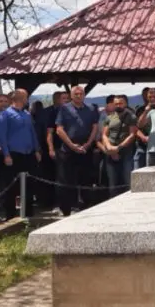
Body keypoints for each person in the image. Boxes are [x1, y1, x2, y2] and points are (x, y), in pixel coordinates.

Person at [0, 89, 41, 219]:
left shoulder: (27, 114)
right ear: (20, 98)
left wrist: (37, 149)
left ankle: (28, 211)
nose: (27, 99)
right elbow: (2, 136)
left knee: (29, 183)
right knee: (11, 185)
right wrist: (6, 154)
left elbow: (32, 133)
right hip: (13, 153)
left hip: (28, 154)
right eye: (26, 97)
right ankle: (10, 213)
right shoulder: (6, 114)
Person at [55, 86, 99, 215]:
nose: (79, 96)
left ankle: (86, 206)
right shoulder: (64, 108)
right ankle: (67, 208)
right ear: (71, 95)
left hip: (86, 150)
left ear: (84, 95)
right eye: (76, 94)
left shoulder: (91, 109)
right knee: (67, 180)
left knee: (86, 179)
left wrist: (88, 144)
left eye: (81, 93)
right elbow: (59, 129)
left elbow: (95, 127)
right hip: (68, 150)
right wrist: (71, 145)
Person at [100, 96, 137, 197]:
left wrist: (118, 148)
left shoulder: (131, 117)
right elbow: (104, 134)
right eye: (116, 104)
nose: (118, 106)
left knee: (127, 179)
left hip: (126, 152)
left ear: (125, 104)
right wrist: (110, 148)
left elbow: (132, 135)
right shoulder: (109, 117)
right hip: (110, 152)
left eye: (121, 103)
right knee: (112, 181)